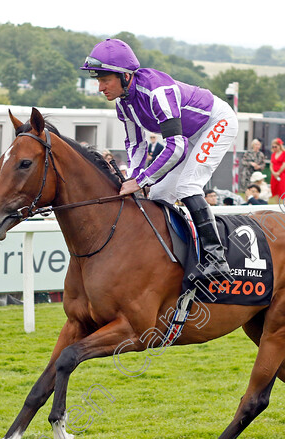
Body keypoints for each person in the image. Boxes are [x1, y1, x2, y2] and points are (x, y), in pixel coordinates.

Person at [81, 38, 238, 280]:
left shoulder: (157, 92)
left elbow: (175, 147)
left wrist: (141, 180)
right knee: (158, 196)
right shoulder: (124, 104)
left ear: (125, 76)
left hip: (217, 123)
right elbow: (136, 144)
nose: (100, 87)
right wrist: (133, 177)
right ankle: (172, 260)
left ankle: (216, 259)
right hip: (189, 134)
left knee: (187, 186)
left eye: (104, 80)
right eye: (98, 81)